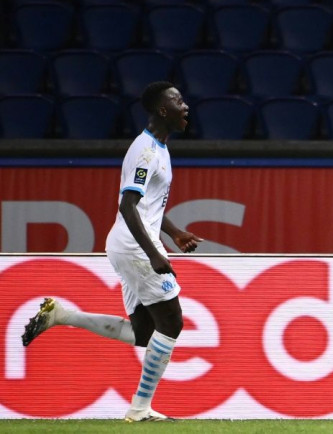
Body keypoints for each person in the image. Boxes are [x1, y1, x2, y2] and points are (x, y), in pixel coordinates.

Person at [21, 81, 203, 422]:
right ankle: (139, 409)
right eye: (178, 101)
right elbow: (128, 206)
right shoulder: (146, 152)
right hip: (135, 246)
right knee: (173, 321)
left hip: (130, 243)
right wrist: (153, 253)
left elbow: (147, 206)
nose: (186, 106)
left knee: (146, 332)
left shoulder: (160, 148)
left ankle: (61, 316)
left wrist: (175, 233)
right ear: (163, 110)